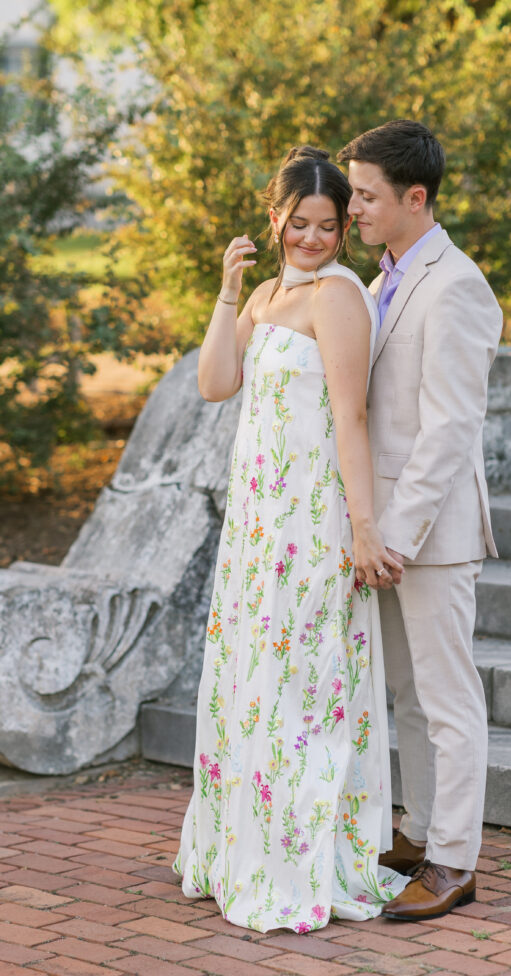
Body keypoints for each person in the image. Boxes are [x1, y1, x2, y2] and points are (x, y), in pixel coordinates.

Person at [173, 146, 407, 933]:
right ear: (274, 218)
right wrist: (229, 290)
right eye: (299, 222)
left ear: (343, 230)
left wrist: (364, 530)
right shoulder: (271, 293)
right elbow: (214, 382)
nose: (312, 238)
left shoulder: (337, 297)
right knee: (255, 684)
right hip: (257, 527)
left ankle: (298, 860)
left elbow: (352, 416)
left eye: (328, 226)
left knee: (302, 692)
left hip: (311, 525)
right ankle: (245, 847)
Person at [338, 120, 503, 921]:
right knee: (403, 694)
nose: (353, 208)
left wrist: (393, 535)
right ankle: (420, 830)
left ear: (415, 197)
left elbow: (447, 430)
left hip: (429, 537)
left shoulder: (456, 284)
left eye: (367, 195)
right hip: (387, 536)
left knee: (445, 698)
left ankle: (454, 862)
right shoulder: (383, 279)